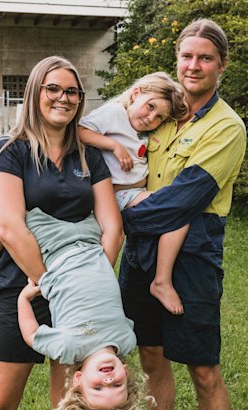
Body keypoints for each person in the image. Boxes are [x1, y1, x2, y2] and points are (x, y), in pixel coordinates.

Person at [0, 56, 124, 410]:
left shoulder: (90, 157)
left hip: (82, 301)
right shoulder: (10, 150)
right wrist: (51, 283)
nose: (62, 98)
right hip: (22, 289)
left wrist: (89, 284)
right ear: (34, 92)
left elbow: (113, 227)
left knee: (67, 407)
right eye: (52, 88)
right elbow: (8, 226)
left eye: (71, 91)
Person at [118, 19, 247, 410]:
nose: (194, 66)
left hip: (191, 255)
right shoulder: (160, 113)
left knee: (203, 368)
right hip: (139, 254)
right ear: (177, 60)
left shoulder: (226, 128)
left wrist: (113, 218)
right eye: (187, 56)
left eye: (205, 58)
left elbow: (180, 203)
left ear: (221, 65)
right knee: (151, 357)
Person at [15, 207, 144, 410]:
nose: (108, 379)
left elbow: (32, 335)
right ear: (125, 373)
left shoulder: (69, 347)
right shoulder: (126, 339)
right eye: (117, 385)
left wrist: (24, 300)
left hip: (54, 245)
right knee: (74, 192)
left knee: (18, 211)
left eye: (97, 387)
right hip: (89, 237)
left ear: (78, 379)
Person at [77, 72, 190, 315]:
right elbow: (79, 131)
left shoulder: (145, 130)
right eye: (150, 107)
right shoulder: (114, 113)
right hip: (116, 196)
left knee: (177, 213)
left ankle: (159, 280)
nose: (151, 117)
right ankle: (155, 282)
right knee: (176, 213)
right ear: (136, 94)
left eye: (159, 116)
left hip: (135, 193)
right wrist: (113, 146)